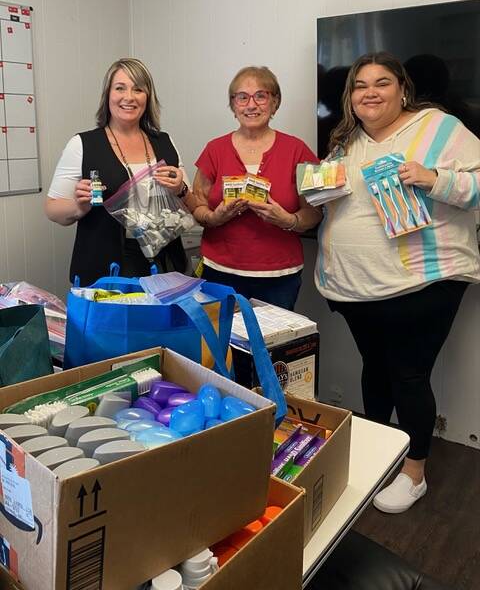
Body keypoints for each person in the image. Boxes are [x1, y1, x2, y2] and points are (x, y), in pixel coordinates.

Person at [315, 52, 480, 513]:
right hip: (355, 285)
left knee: (408, 375)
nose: (369, 92)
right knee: (375, 368)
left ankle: (414, 472)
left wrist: (435, 178)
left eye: (381, 82)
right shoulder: (346, 139)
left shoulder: (438, 127)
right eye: (360, 85)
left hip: (421, 284)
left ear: (403, 89)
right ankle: (381, 453)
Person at [45, 58, 196, 285]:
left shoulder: (165, 142)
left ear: (148, 97)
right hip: (107, 272)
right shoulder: (83, 144)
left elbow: (191, 204)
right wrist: (79, 207)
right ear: (107, 95)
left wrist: (180, 189)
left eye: (138, 89)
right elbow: (52, 209)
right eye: (120, 88)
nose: (129, 97)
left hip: (165, 267)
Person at [192, 66, 322, 310]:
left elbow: (315, 212)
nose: (251, 105)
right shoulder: (214, 150)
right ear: (233, 105)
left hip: (279, 277)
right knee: (222, 335)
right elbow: (196, 204)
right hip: (219, 272)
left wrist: (288, 220)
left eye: (261, 96)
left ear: (275, 102)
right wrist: (215, 217)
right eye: (242, 97)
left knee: (274, 336)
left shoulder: (298, 150)